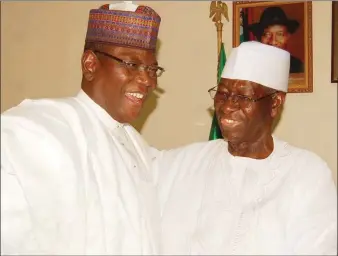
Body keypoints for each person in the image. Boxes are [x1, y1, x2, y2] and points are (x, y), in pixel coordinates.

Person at [1, 2, 164, 255]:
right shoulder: (36, 129)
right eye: (132, 64)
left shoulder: (140, 149)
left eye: (152, 69)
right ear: (90, 64)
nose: (148, 80)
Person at [154, 42, 337, 255]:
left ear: (275, 103)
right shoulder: (185, 162)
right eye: (222, 94)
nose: (227, 106)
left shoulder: (306, 174)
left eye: (243, 97)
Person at [248, 6, 304, 73]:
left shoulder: (298, 66)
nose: (273, 41)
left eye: (279, 34)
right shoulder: (250, 65)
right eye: (267, 34)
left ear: (287, 36)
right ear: (259, 37)